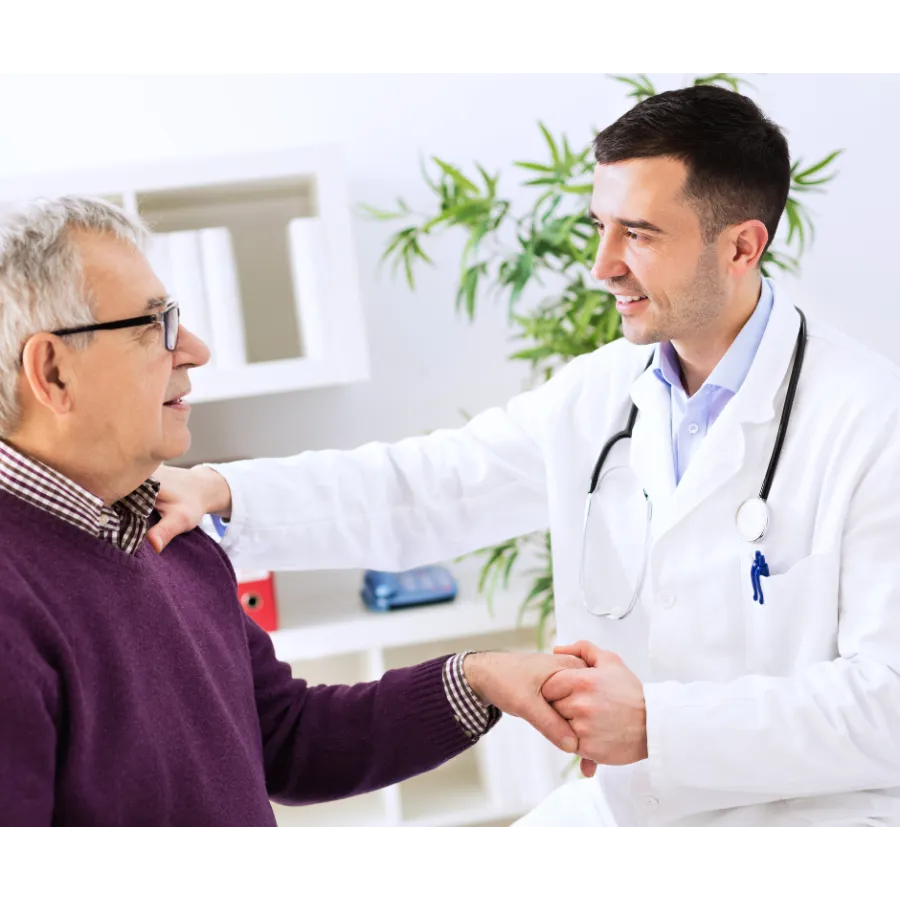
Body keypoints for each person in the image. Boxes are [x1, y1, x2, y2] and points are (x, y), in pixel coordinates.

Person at [149, 85, 900, 832]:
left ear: (741, 246)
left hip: (813, 825)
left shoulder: (870, 420)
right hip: (629, 812)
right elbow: (428, 485)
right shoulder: (600, 393)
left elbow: (888, 704)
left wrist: (657, 725)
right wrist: (221, 491)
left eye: (638, 235)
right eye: (599, 227)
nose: (602, 266)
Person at [0, 196, 589, 830]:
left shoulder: (166, 533)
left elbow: (284, 736)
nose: (194, 349)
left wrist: (477, 680)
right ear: (53, 372)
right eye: (154, 326)